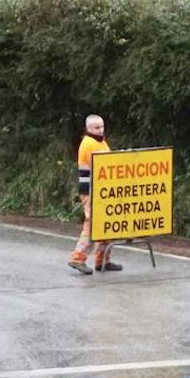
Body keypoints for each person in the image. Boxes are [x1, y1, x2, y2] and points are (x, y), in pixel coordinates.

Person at [68, 114, 122, 274]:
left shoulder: (100, 141)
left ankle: (102, 260)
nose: (101, 130)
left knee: (106, 222)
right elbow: (103, 167)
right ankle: (77, 258)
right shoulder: (89, 144)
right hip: (91, 190)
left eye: (102, 126)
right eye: (97, 127)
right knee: (93, 224)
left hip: (102, 190)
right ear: (88, 129)